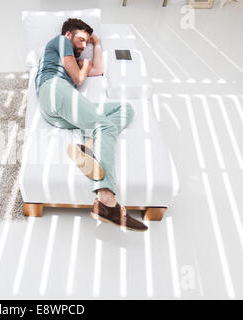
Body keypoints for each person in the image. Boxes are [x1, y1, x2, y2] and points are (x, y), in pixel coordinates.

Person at [35, 18, 148, 232]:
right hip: (54, 90)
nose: (83, 46)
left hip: (58, 109)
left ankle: (89, 145)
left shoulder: (72, 56)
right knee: (105, 126)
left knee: (125, 109)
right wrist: (84, 67)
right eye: (81, 39)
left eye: (86, 43)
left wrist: (96, 44)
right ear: (68, 34)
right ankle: (106, 200)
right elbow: (78, 78)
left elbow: (99, 70)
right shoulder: (60, 41)